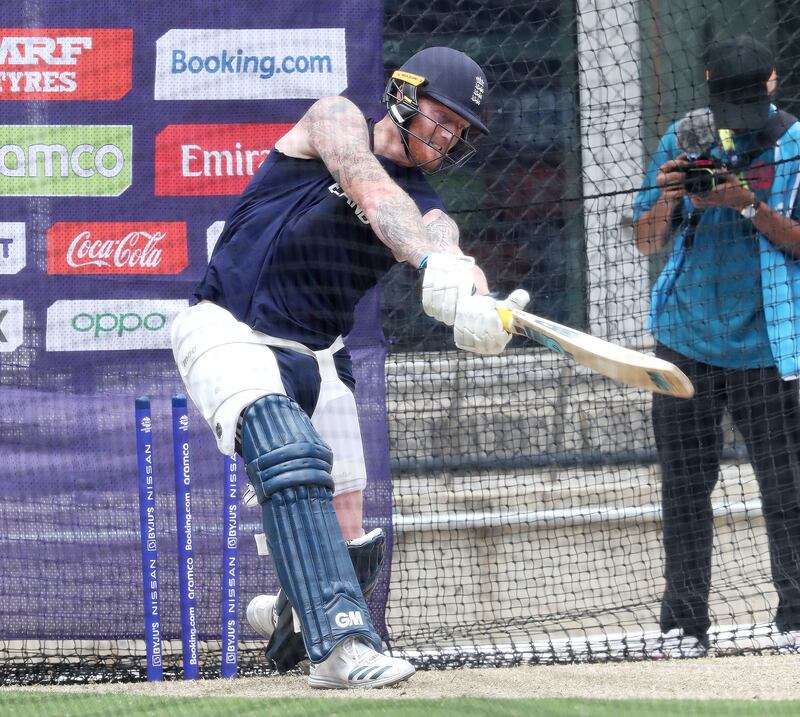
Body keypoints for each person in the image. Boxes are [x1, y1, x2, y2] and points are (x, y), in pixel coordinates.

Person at [171, 46, 528, 688]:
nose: (447, 139)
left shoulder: (431, 206)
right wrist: (427, 262)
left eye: (459, 132)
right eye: (441, 119)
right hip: (229, 328)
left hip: (321, 355)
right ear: (405, 96)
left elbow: (446, 242)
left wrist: (477, 300)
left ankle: (290, 613)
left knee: (352, 538)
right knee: (290, 453)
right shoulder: (335, 120)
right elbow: (366, 182)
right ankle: (339, 647)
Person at [633, 34, 800, 658]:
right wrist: (673, 196)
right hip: (684, 342)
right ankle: (683, 625)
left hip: (768, 346)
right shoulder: (682, 137)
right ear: (706, 80)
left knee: (787, 492)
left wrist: (748, 203)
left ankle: (796, 618)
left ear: (774, 82)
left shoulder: (796, 144)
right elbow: (646, 239)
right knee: (683, 491)